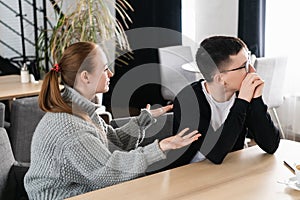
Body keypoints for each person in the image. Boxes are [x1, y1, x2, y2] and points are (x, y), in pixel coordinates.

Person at [24, 42, 200, 199]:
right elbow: (109, 173)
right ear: (85, 77)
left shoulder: (80, 110)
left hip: (81, 186)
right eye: (105, 68)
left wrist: (142, 120)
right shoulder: (72, 128)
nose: (111, 73)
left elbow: (113, 142)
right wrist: (159, 148)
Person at [165, 36, 280, 168]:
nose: (251, 71)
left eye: (249, 62)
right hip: (190, 172)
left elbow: (271, 145)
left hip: (230, 167)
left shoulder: (242, 94)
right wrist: (242, 102)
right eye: (244, 66)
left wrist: (257, 100)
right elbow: (215, 153)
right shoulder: (188, 101)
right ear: (220, 79)